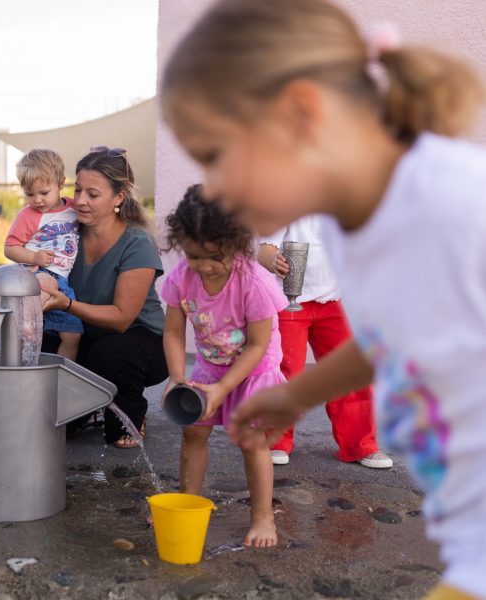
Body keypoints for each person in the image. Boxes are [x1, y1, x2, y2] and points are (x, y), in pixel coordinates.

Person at [160, 1, 485, 597]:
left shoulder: (447, 206)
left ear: (299, 114)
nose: (217, 186)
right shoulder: (353, 222)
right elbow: (392, 334)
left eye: (216, 155)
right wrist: (294, 396)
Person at [161, 185, 285, 547]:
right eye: (193, 255)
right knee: (193, 433)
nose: (203, 266)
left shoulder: (254, 282)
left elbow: (259, 345)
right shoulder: (182, 276)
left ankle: (263, 519)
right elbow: (172, 331)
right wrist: (176, 378)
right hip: (209, 365)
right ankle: (188, 505)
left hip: (253, 369)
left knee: (252, 441)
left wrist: (223, 389)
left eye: (213, 257)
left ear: (235, 244)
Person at [41, 146, 168, 449]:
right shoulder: (66, 233)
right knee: (42, 354)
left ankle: (132, 414)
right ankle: (86, 409)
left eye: (93, 194)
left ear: (119, 197)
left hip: (139, 340)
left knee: (110, 354)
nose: (81, 200)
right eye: (78, 189)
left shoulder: (136, 243)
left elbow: (122, 318)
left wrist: (67, 304)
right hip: (83, 333)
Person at [258, 217, 392, 469]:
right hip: (289, 302)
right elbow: (265, 248)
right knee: (286, 372)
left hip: (332, 301)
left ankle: (359, 445)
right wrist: (273, 261)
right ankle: (275, 441)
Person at [4, 148, 83, 360]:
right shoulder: (28, 216)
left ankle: (63, 372)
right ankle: (27, 322)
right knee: (47, 282)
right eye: (30, 194)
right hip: (39, 271)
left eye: (44, 193)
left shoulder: (73, 208)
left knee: (73, 334)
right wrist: (34, 257)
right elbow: (10, 248)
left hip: (64, 280)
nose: (37, 200)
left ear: (60, 183)